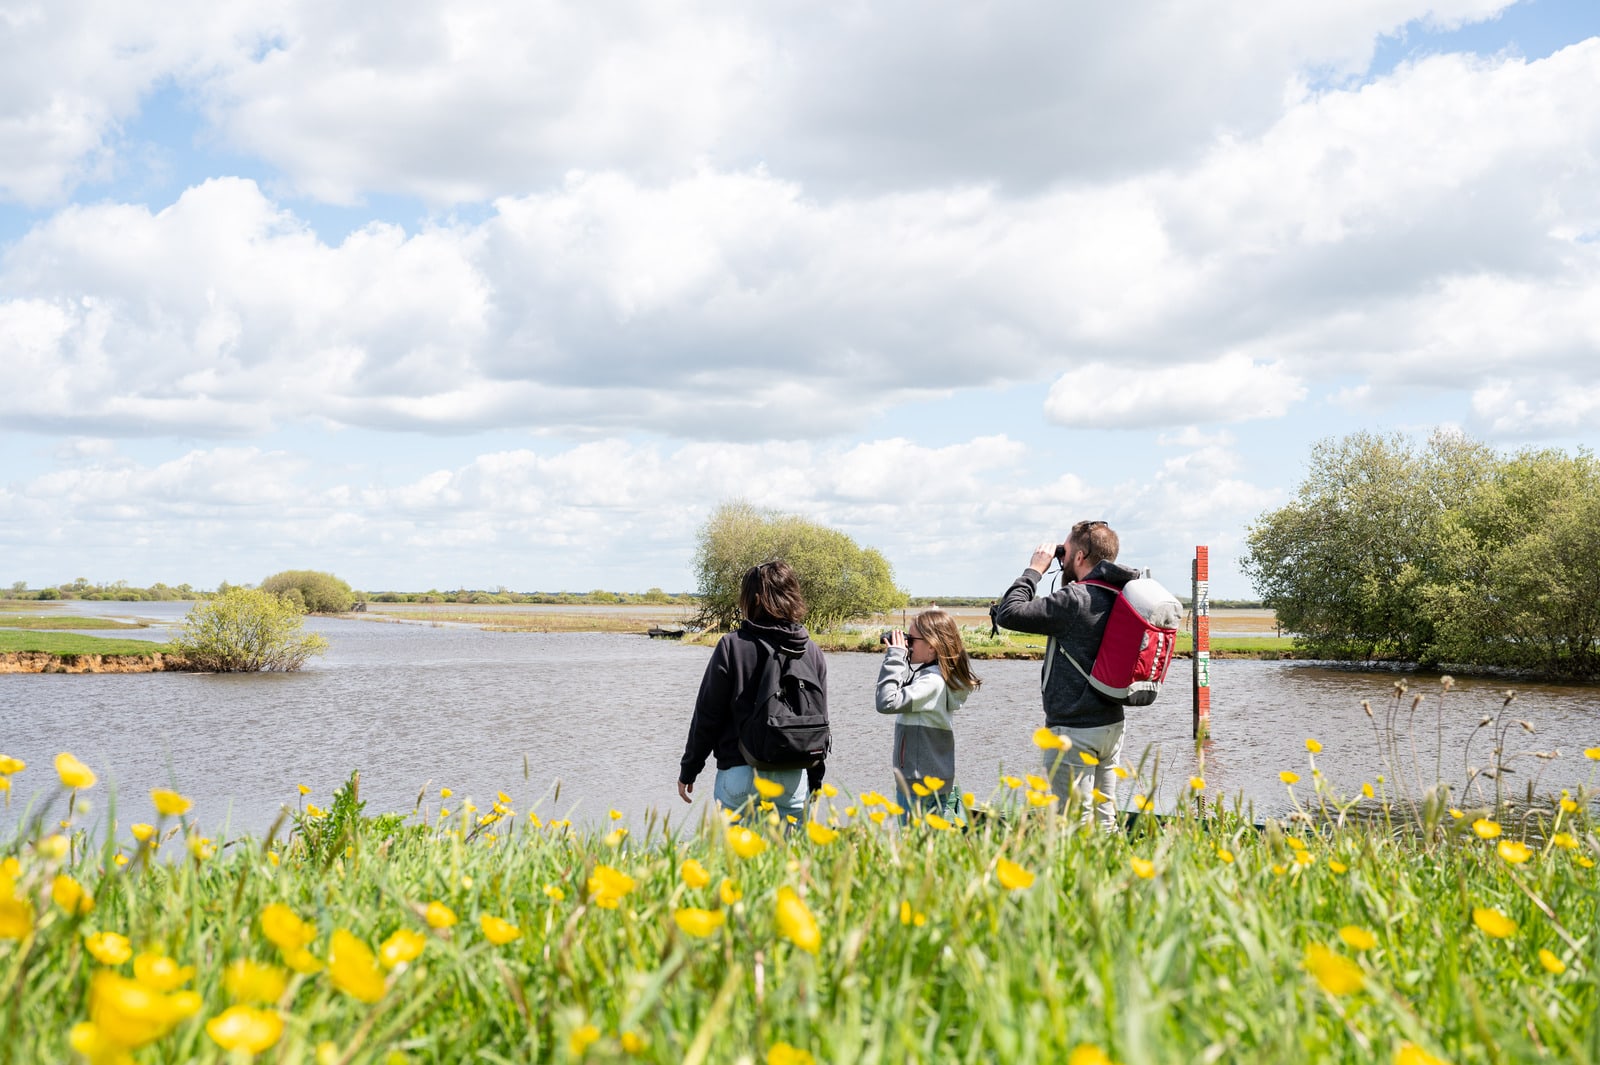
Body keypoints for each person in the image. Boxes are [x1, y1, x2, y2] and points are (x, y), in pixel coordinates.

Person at [993, 520, 1139, 831]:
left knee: (1072, 824)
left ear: (1081, 556)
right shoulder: (1121, 595)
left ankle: (1075, 879)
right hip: (1111, 724)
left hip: (1074, 729)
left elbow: (1009, 613)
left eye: (1066, 551)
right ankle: (1114, 875)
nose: (1062, 558)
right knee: (1104, 821)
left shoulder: (1075, 600)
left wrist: (1035, 569)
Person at [678, 560, 827, 823]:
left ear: (756, 599)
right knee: (789, 860)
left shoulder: (732, 646)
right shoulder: (811, 650)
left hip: (739, 771)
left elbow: (707, 716)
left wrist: (689, 770)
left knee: (736, 863)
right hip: (792, 775)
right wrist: (815, 780)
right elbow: (817, 718)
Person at [876, 607, 980, 816]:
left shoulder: (931, 682)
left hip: (919, 784)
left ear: (931, 647)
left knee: (913, 845)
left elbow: (886, 701)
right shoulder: (934, 677)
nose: (907, 645)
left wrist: (895, 657)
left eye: (911, 640)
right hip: (930, 779)